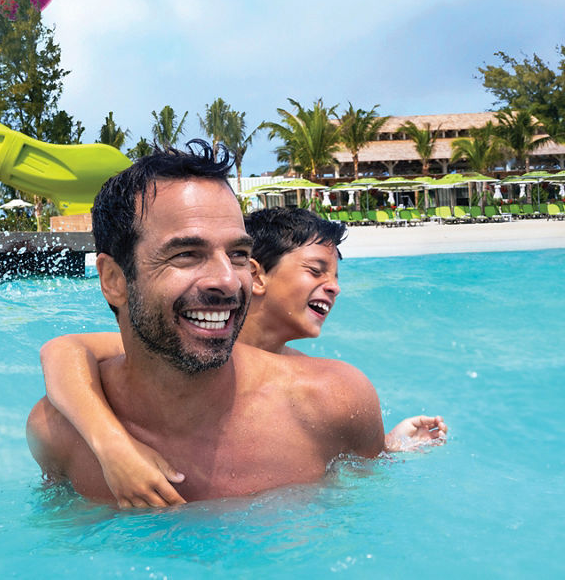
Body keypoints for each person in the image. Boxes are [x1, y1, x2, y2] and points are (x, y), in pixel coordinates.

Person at [26, 141, 386, 506]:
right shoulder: (59, 436)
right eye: (186, 254)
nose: (228, 280)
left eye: (238, 254)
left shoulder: (332, 405)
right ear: (114, 280)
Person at [40, 205, 447, 507]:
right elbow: (63, 351)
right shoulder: (186, 344)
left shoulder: (319, 386)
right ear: (256, 275)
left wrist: (391, 446)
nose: (333, 287)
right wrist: (113, 446)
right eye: (316, 270)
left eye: (336, 277)